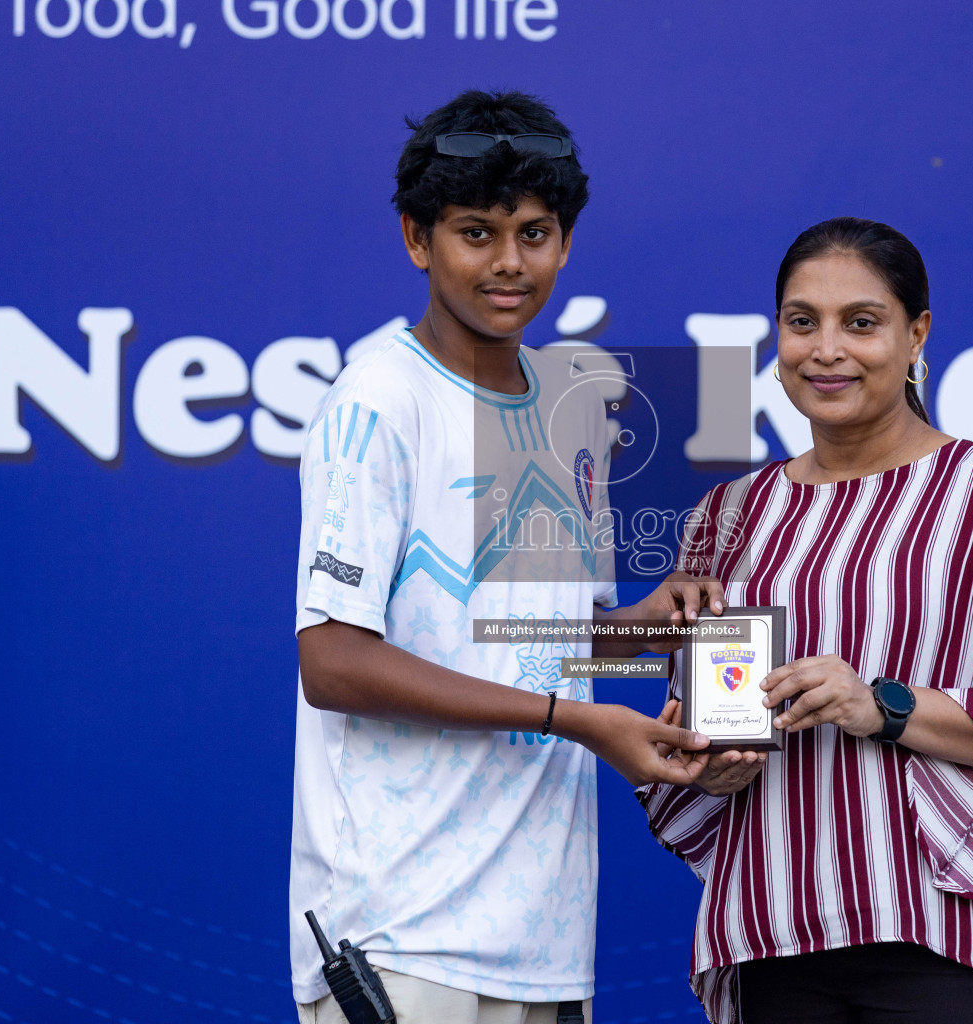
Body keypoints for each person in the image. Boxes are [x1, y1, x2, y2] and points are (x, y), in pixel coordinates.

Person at [289, 90, 722, 1024]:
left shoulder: (566, 403)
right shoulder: (379, 399)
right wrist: (580, 720)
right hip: (404, 936)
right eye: (476, 233)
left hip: (544, 940)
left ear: (566, 243)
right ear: (417, 240)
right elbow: (332, 661)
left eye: (535, 233)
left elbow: (526, 654)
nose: (510, 263)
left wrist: (642, 628)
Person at [641, 217, 973, 1024]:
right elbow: (699, 717)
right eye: (803, 323)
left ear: (916, 336)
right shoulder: (726, 518)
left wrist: (881, 705)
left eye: (861, 323)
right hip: (773, 931)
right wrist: (711, 762)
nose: (827, 349)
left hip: (955, 937)